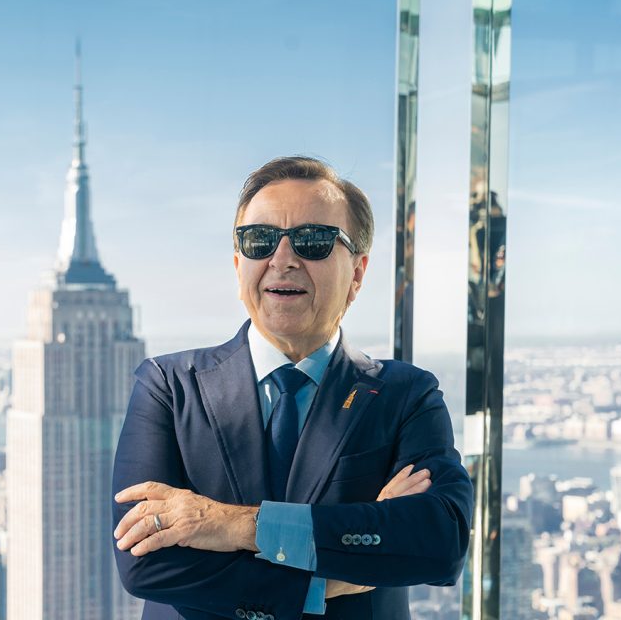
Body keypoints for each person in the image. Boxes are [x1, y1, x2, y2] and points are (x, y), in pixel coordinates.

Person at [111, 157, 473, 619]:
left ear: (357, 273)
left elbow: (439, 540)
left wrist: (232, 525)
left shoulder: (406, 395)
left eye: (313, 241)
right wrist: (325, 581)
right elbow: (144, 564)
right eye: (260, 241)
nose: (282, 260)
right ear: (238, 263)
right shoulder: (169, 386)